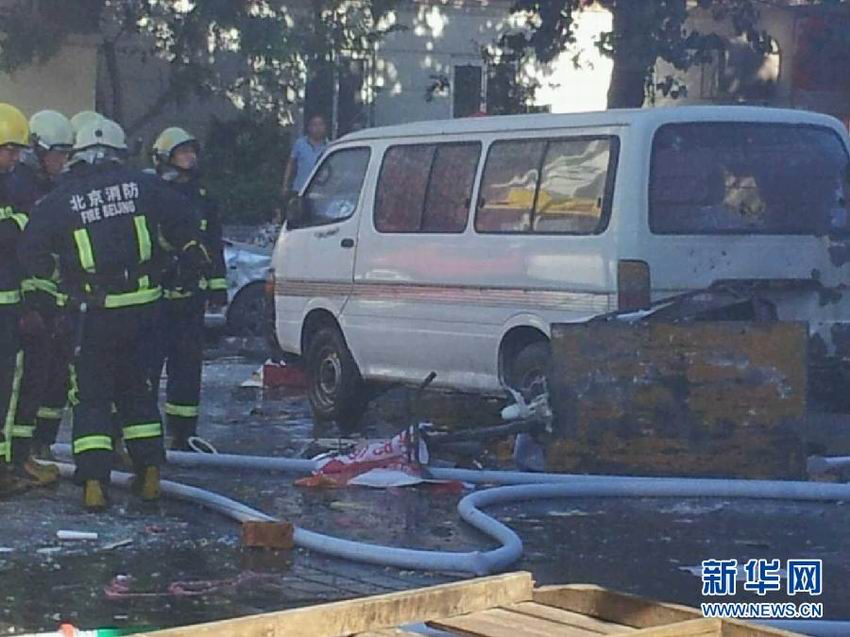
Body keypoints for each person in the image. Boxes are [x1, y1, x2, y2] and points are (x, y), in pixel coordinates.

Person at [19, 117, 208, 511]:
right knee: (138, 392)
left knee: (91, 398)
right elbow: (187, 223)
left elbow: (33, 253)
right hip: (144, 309)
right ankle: (150, 473)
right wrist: (178, 261)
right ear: (120, 152)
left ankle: (93, 482)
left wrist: (60, 284)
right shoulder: (145, 186)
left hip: (92, 312)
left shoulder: (59, 200)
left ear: (78, 153)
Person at [147, 126, 227, 450]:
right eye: (182, 152)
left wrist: (218, 287)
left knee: (188, 368)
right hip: (156, 298)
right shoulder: (151, 193)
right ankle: (144, 433)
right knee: (148, 368)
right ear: (166, 157)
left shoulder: (203, 198)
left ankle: (183, 434)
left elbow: (214, 243)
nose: (190, 157)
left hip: (191, 297)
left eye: (192, 151)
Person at [10, 110, 75, 470]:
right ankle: (19, 456)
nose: (61, 161)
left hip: (57, 300)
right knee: (25, 382)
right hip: (27, 302)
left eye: (66, 154)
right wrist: (25, 307)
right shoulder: (20, 187)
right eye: (56, 154)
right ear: (37, 149)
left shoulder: (59, 190)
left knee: (54, 378)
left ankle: (41, 445)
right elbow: (16, 251)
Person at [0, 103, 32, 496]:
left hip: (8, 304)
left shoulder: (17, 183)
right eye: (10, 149)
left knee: (5, 385)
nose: (15, 157)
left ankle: (4, 464)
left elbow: (27, 228)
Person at [282, 114, 328, 198]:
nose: (318, 128)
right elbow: (290, 164)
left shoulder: (329, 146)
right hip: (300, 190)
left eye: (321, 124)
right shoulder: (299, 143)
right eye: (315, 125)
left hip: (321, 191)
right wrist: (285, 185)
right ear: (309, 128)